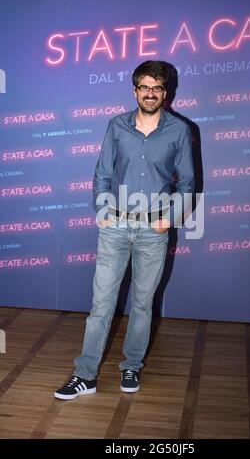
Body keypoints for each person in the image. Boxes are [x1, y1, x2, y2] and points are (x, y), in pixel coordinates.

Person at [54, 60, 194, 400]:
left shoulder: (178, 130)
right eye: (144, 87)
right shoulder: (116, 126)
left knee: (143, 304)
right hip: (114, 227)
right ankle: (85, 374)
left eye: (156, 88)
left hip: (153, 229)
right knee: (101, 304)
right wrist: (102, 211)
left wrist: (167, 219)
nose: (150, 93)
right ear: (135, 91)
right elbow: (102, 173)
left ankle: (131, 365)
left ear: (165, 92)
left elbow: (188, 183)